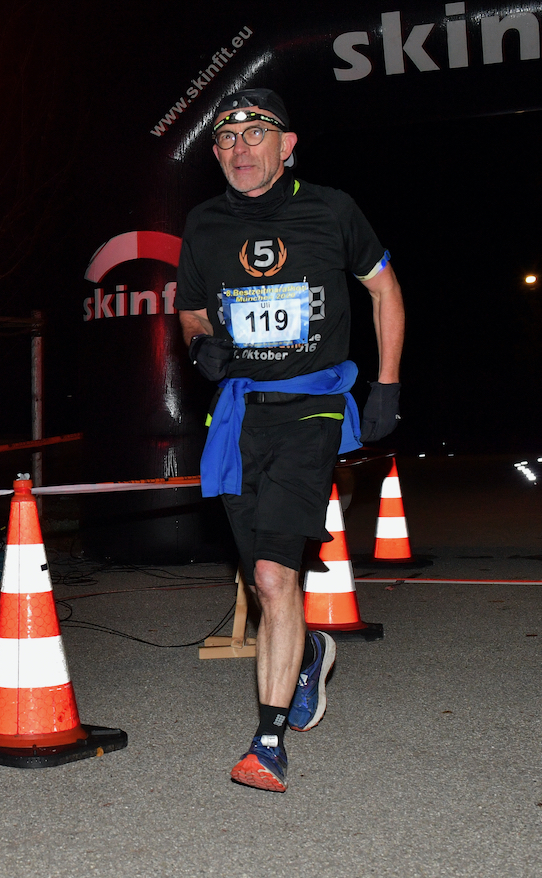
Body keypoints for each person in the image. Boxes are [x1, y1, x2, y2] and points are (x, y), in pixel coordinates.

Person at [176, 88, 405, 792]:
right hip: (241, 415)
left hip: (312, 410)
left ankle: (268, 742)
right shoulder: (204, 224)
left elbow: (384, 292)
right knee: (261, 575)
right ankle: (307, 654)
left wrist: (386, 384)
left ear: (288, 143)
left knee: (276, 576)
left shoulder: (332, 209)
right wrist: (201, 346)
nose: (239, 149)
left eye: (255, 134)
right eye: (225, 139)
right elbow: (189, 312)